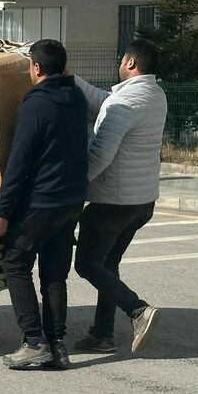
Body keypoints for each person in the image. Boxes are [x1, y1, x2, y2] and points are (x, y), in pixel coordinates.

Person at [0, 39, 88, 370]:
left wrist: (1, 212)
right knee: (54, 274)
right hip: (71, 200)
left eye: (30, 64)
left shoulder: (36, 105)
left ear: (37, 68)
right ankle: (58, 347)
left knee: (15, 264)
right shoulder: (76, 98)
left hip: (41, 201)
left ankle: (34, 342)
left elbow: (19, 164)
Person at [72, 39, 168, 355]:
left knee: (87, 264)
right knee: (108, 265)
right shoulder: (153, 94)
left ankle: (137, 310)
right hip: (142, 202)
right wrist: (71, 78)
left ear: (129, 62)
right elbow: (104, 101)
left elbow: (100, 154)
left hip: (113, 203)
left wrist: (75, 190)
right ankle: (101, 335)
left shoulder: (125, 103)